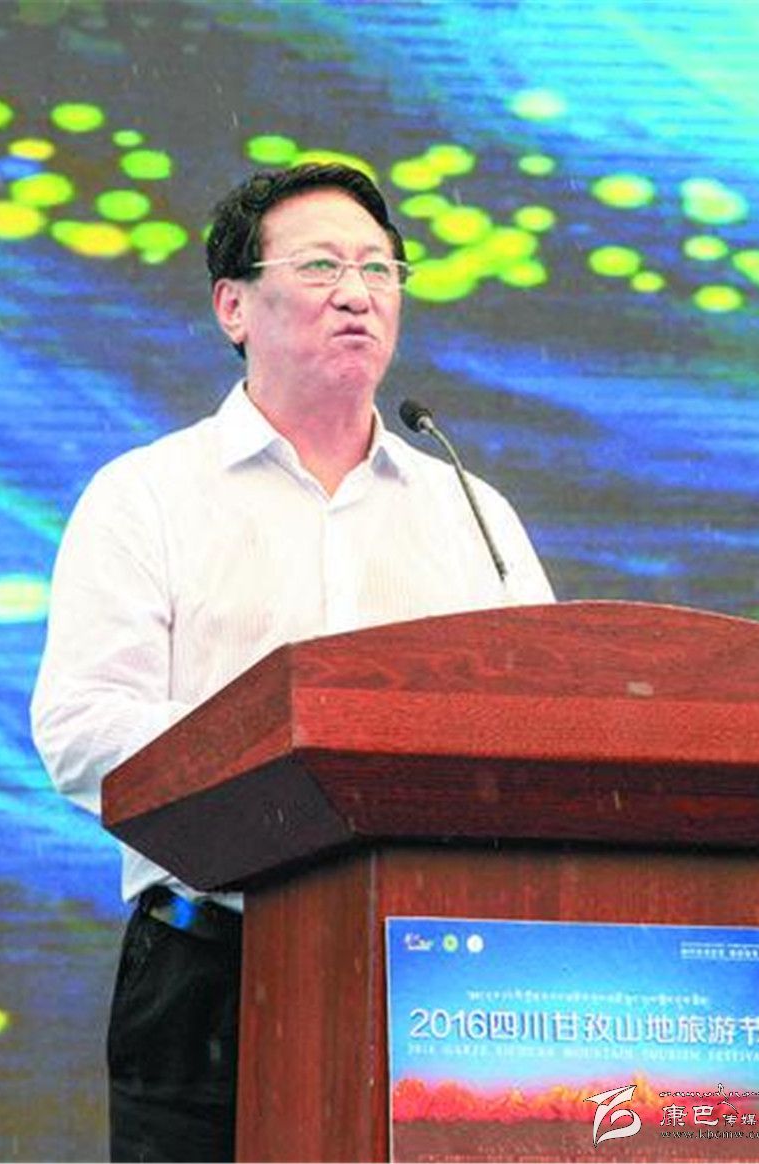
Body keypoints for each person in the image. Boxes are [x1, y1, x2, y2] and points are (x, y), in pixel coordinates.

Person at [31, 162, 555, 1162]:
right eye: (320, 267)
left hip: (443, 978)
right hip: (213, 969)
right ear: (233, 305)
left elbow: (546, 723)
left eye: (378, 269)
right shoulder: (146, 496)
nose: (357, 294)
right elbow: (83, 730)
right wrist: (289, 771)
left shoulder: (469, 509)